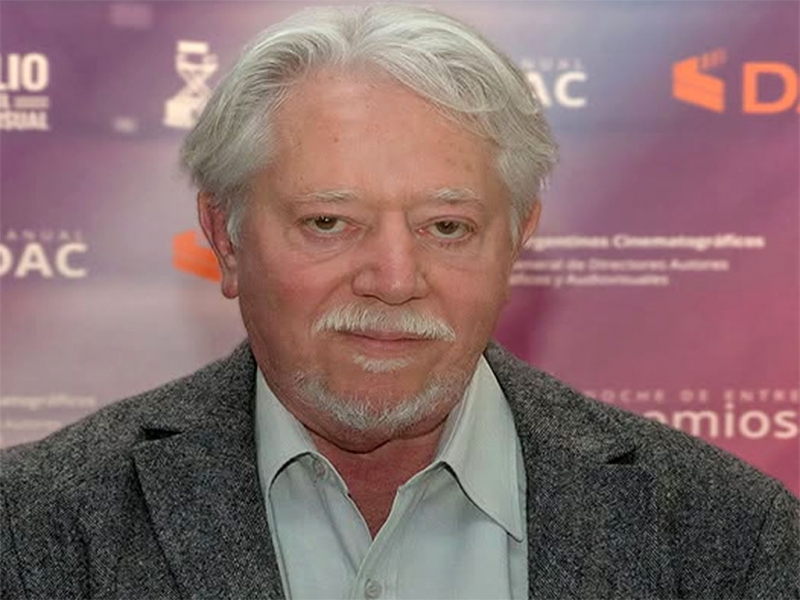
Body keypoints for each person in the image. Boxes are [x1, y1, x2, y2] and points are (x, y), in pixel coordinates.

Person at [1, 4, 797, 599]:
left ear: (516, 240)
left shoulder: (730, 538)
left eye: (446, 227)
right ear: (227, 237)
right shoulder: (35, 529)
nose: (392, 278)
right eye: (329, 222)